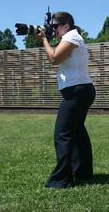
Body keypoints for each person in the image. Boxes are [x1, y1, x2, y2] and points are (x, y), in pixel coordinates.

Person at [38, 12, 96, 188]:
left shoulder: (72, 36)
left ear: (66, 24)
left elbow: (54, 58)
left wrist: (44, 40)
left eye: (55, 26)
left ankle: (62, 179)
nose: (53, 29)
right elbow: (56, 52)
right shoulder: (69, 37)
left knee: (62, 134)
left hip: (77, 92)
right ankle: (83, 173)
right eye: (52, 26)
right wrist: (47, 38)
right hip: (81, 90)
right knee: (77, 132)